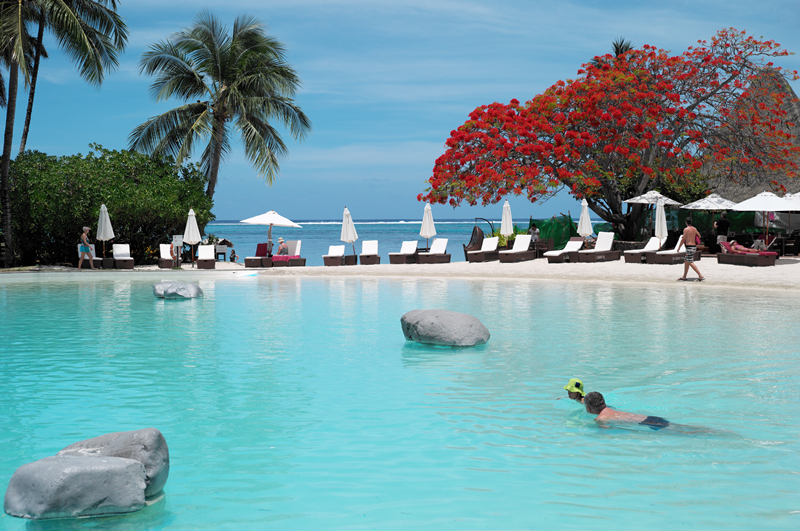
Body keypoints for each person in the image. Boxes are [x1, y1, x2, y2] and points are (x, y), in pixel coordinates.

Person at [584, 391, 670, 430]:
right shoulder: (611, 409)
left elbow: (604, 434)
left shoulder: (600, 418)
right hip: (650, 418)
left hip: (647, 425)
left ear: (588, 408)